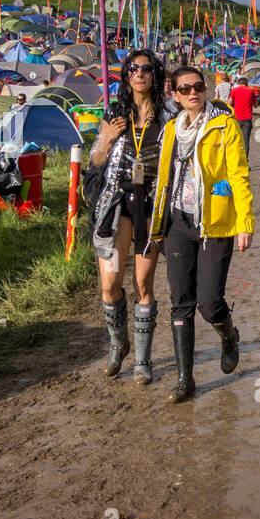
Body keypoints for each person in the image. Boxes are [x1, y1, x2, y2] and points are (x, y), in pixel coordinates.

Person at [149, 66, 255, 402]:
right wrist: (156, 226)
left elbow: (238, 175)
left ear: (205, 88)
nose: (192, 93)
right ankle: (185, 379)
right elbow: (162, 181)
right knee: (180, 302)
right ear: (175, 94)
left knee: (209, 303)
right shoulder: (169, 130)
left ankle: (228, 336)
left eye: (197, 86)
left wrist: (245, 222)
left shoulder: (224, 126)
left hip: (215, 224)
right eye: (184, 89)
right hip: (178, 223)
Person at [90, 49, 172, 384]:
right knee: (110, 284)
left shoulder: (169, 116)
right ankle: (118, 344)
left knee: (142, 283)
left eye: (147, 69)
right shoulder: (114, 112)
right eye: (133, 68)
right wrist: (107, 140)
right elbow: (95, 162)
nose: (139, 73)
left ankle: (143, 359)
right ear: (126, 75)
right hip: (115, 202)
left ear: (155, 75)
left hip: (150, 205)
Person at [229, 75, 256, 150]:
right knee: (246, 141)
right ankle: (245, 159)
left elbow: (229, 103)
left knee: (234, 139)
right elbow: (256, 105)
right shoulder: (251, 91)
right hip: (247, 118)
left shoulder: (234, 90)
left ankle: (235, 156)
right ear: (246, 83)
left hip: (237, 118)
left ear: (239, 83)